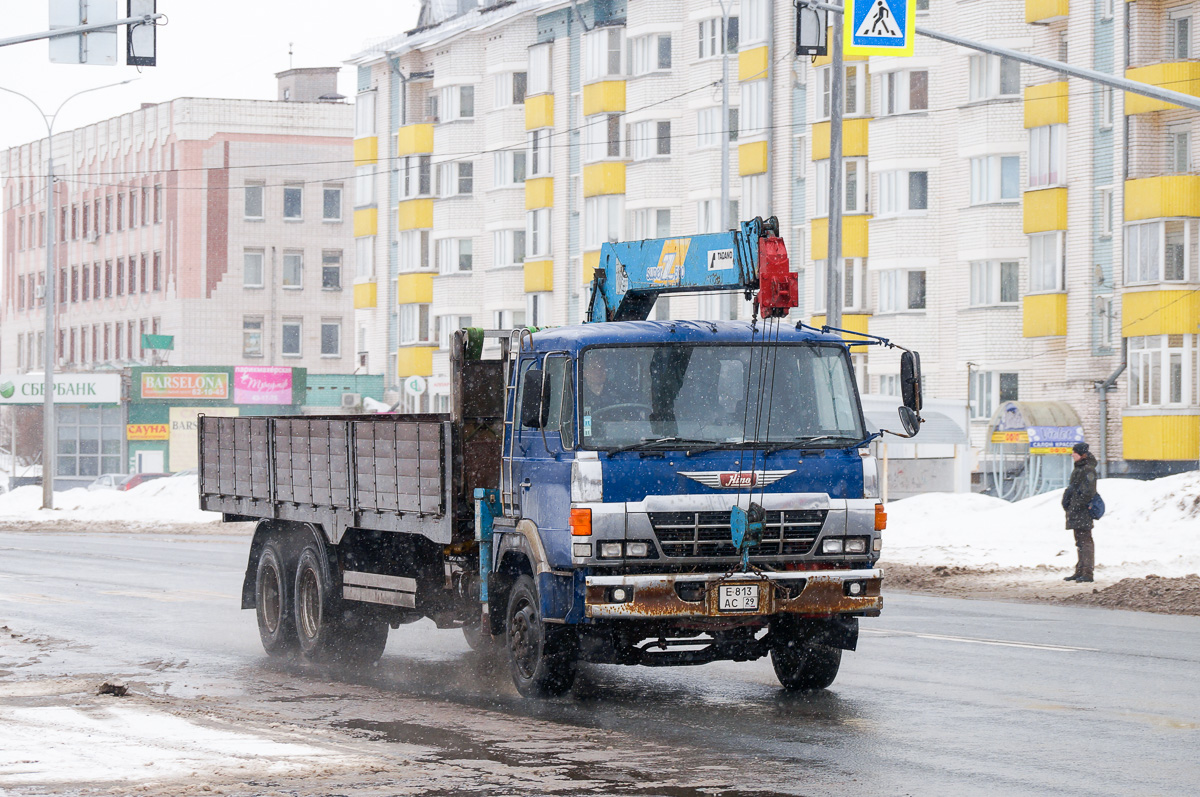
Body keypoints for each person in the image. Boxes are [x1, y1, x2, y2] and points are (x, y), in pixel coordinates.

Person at [1061, 441, 1098, 582]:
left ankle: (1087, 572)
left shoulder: (1088, 470)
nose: (1072, 454)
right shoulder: (1080, 468)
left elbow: (1088, 492)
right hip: (1076, 510)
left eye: (1074, 452)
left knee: (1085, 541)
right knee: (1080, 541)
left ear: (1082, 454)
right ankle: (1080, 570)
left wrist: (1076, 504)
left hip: (1082, 511)